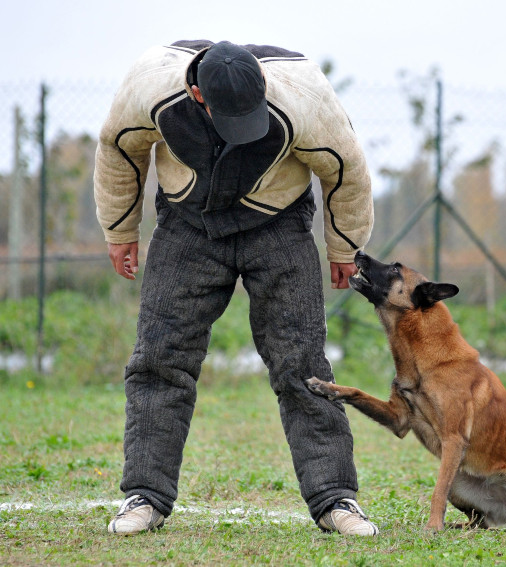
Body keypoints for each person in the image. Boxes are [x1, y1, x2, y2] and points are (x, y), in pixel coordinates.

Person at [94, 40, 376, 536]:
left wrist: (344, 247)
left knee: (302, 362)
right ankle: (146, 496)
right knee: (159, 357)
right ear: (198, 95)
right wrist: (120, 232)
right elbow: (119, 148)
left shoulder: (304, 101)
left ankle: (336, 500)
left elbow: (346, 169)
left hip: (278, 224)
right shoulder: (151, 89)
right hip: (187, 224)